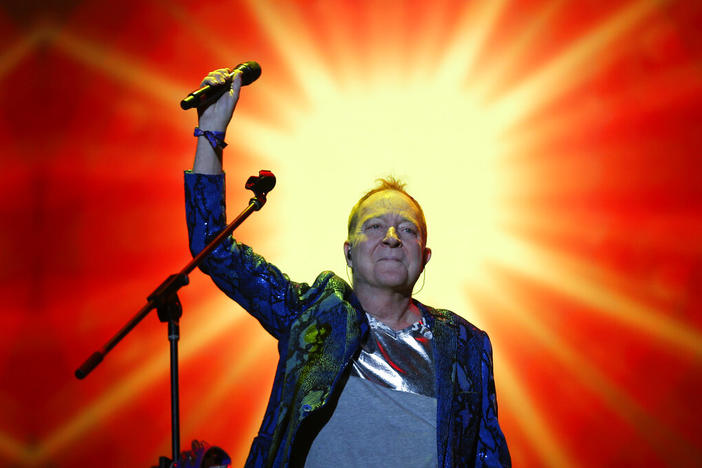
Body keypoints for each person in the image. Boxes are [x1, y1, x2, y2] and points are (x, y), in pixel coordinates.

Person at [185, 68, 511, 467]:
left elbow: (488, 456)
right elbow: (213, 249)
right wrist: (210, 135)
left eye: (407, 229)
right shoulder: (311, 314)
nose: (391, 235)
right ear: (348, 253)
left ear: (424, 257)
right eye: (374, 226)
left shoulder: (466, 346)